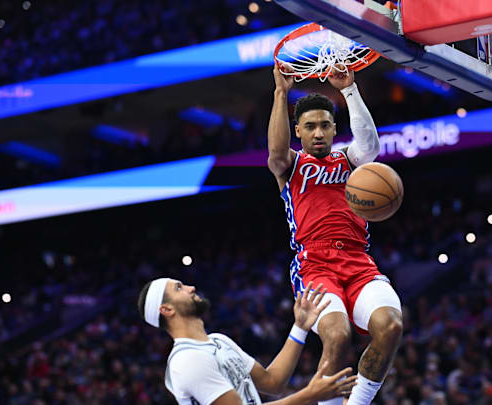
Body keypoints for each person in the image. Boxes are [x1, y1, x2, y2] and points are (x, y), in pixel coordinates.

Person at [267, 63, 403, 405]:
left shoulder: (348, 159)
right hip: (315, 264)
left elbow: (370, 148)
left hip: (358, 260)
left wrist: (349, 90)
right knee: (337, 335)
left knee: (390, 327)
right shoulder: (291, 165)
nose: (318, 133)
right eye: (310, 126)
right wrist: (281, 93)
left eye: (325, 126)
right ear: (298, 130)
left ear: (333, 129)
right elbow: (275, 152)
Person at [137, 278, 356, 405]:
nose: (190, 288)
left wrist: (299, 327)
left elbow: (273, 382)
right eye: (179, 288)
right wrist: (310, 394)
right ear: (167, 310)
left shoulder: (218, 341)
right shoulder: (187, 361)